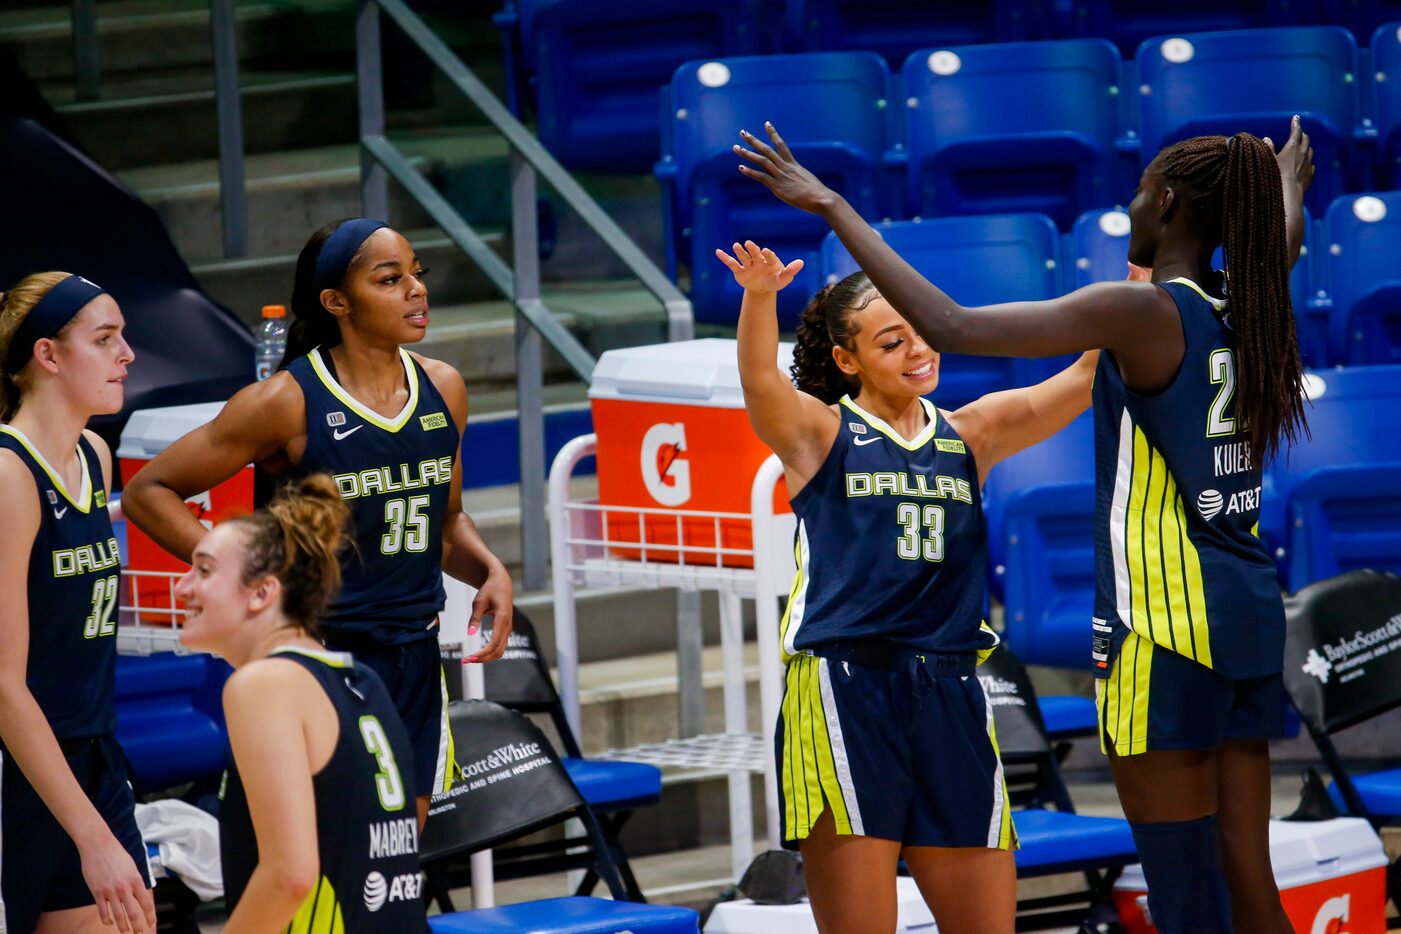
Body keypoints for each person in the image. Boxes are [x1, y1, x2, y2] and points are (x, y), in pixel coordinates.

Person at [735, 117, 1315, 934]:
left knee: (1189, 892)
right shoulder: (1247, 301)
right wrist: (1284, 187)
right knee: (1247, 877)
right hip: (1243, 614)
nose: (1128, 204)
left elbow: (962, 328)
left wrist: (830, 204)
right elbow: (1274, 245)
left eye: (1143, 193)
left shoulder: (1129, 321)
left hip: (1160, 632)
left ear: (1172, 203)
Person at [719, 239, 1099, 933]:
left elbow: (1080, 380)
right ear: (846, 360)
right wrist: (757, 298)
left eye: (922, 331)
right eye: (891, 342)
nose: (917, 350)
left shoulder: (969, 434)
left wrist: (1133, 302)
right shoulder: (819, 432)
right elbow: (760, 385)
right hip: (845, 685)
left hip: (951, 689)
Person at [122, 218, 513, 827]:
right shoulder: (287, 399)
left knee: (396, 858)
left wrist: (488, 568)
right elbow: (150, 490)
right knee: (325, 860)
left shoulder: (445, 388)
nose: (416, 289)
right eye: (390, 279)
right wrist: (246, 580)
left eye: (417, 273)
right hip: (322, 653)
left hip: (413, 651)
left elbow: (447, 520)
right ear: (338, 303)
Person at [175, 474, 427, 932]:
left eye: (204, 570)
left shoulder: (264, 684)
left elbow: (289, 875)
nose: (182, 586)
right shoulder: (358, 678)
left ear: (263, 592)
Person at [0, 272, 155, 933]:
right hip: (16, 775)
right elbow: (4, 684)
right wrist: (91, 838)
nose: (128, 354)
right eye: (105, 338)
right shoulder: (9, 476)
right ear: (48, 355)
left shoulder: (94, 454)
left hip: (91, 758)